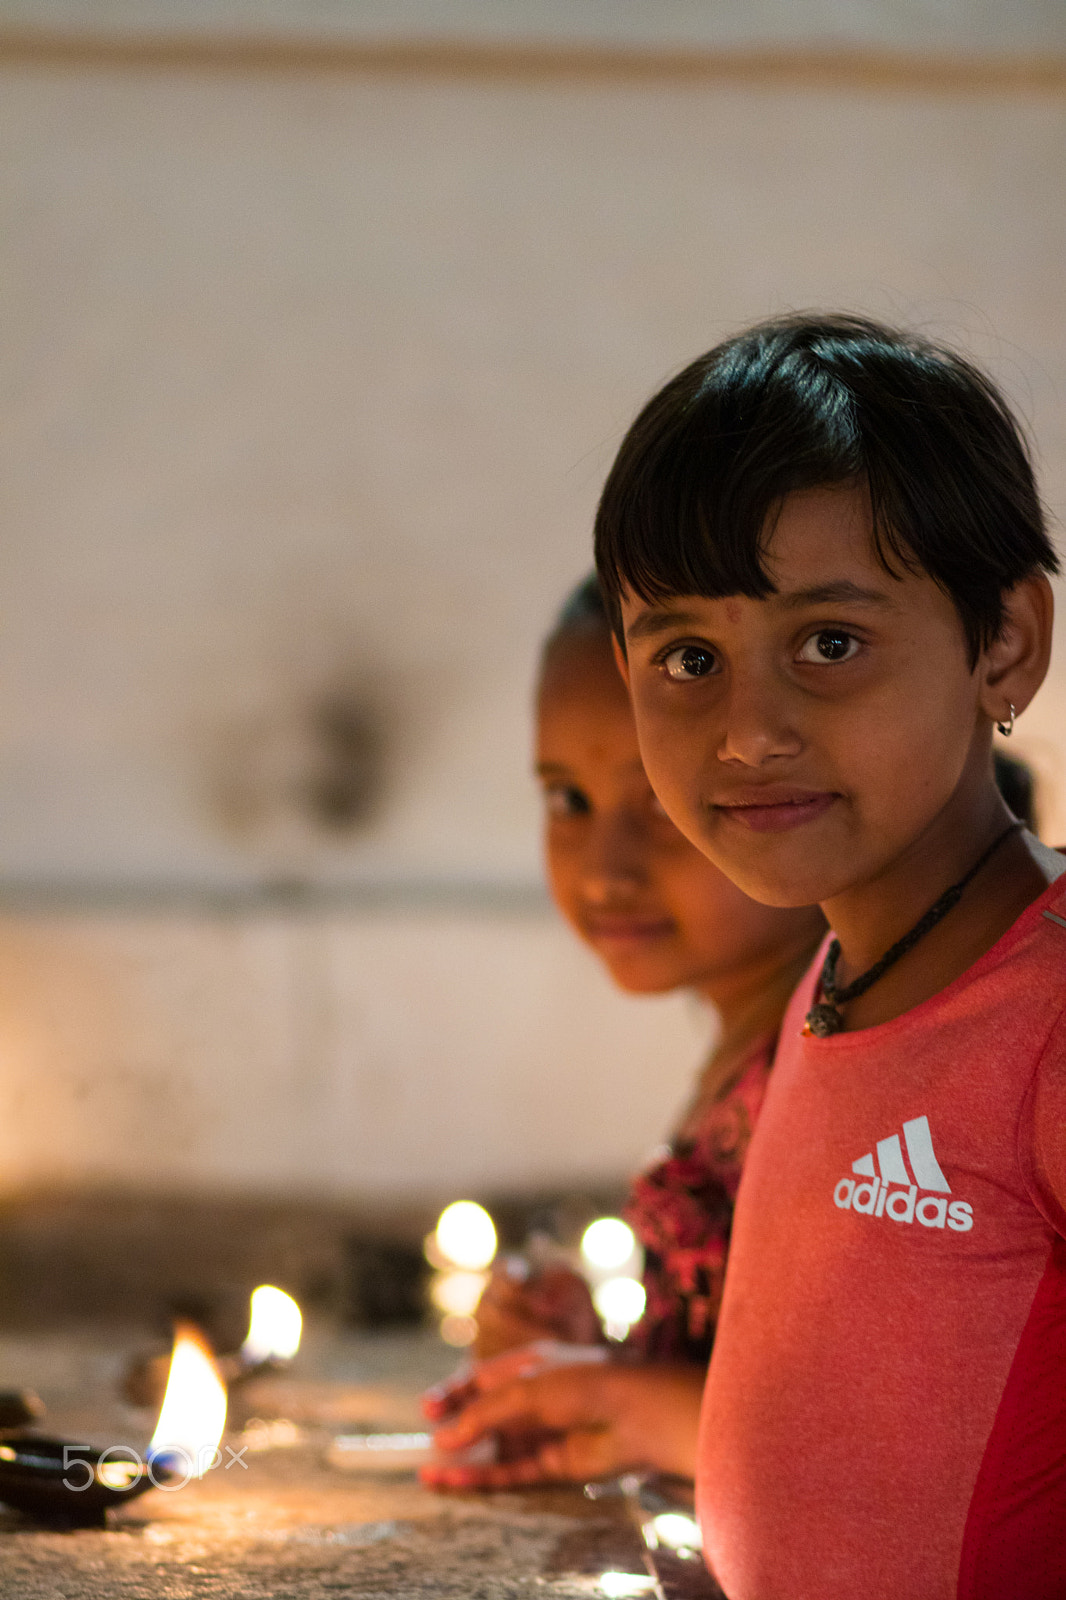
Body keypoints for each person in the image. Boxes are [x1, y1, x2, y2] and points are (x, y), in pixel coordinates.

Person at [585, 313, 1066, 1599]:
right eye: (688, 657)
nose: (747, 732)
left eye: (830, 644)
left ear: (1003, 642)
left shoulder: (1046, 1026)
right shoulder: (836, 981)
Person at [422, 574, 825, 1488]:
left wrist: (637, 1408)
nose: (605, 871)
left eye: (661, 801)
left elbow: (887, 1437)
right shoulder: (757, 1048)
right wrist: (595, 1367)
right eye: (568, 802)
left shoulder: (857, 1060)